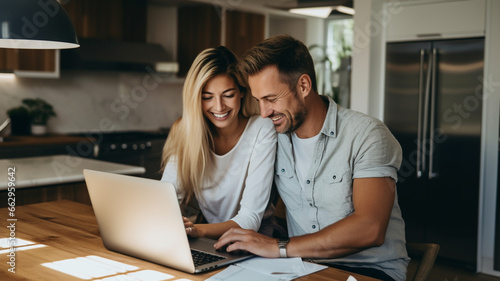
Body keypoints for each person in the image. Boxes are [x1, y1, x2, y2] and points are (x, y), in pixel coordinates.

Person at [214, 35, 410, 281]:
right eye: (258, 101)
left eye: (271, 99)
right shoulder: (274, 139)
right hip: (303, 269)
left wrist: (278, 247)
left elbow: (370, 229)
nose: (264, 113)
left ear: (304, 86)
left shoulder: (366, 134)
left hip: (369, 272)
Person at [161, 46, 278, 239]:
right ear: (197, 99)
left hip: (256, 242)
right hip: (209, 241)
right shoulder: (186, 131)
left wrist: (197, 230)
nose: (219, 107)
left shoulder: (261, 129)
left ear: (242, 91)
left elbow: (250, 219)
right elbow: (167, 196)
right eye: (207, 97)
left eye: (228, 95)